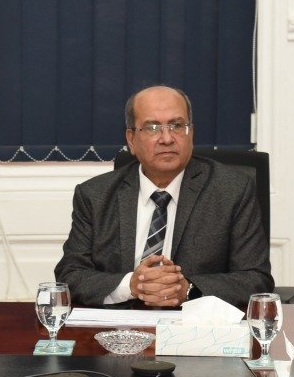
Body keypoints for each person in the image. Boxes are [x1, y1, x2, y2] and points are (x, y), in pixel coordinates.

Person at [53, 85, 273, 310]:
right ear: (131, 139)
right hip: (119, 324)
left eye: (177, 126)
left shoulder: (231, 191)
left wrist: (189, 290)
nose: (167, 138)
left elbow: (256, 279)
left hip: (193, 326)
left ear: (191, 133)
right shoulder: (94, 196)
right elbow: (70, 274)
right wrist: (132, 285)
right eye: (152, 128)